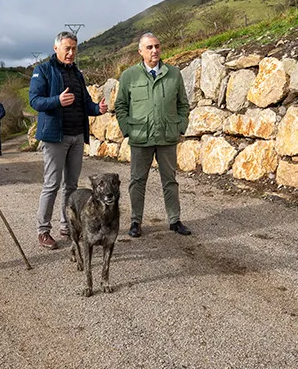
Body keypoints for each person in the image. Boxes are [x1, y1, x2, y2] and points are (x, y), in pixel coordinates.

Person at [29, 31, 107, 250]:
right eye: (67, 48)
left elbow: (86, 103)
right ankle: (43, 231)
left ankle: (67, 226)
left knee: (71, 186)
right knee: (51, 184)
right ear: (56, 48)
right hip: (55, 136)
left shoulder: (77, 74)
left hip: (76, 135)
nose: (71, 53)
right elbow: (35, 100)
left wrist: (97, 109)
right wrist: (57, 100)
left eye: (74, 48)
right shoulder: (43, 70)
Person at [115, 32, 191, 238]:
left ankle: (175, 220)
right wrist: (127, 129)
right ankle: (135, 222)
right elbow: (120, 105)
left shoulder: (174, 73)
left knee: (170, 180)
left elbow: (183, 104)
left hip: (167, 136)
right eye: (149, 47)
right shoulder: (129, 76)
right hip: (140, 137)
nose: (154, 50)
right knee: (137, 181)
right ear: (140, 51)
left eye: (157, 46)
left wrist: (180, 127)